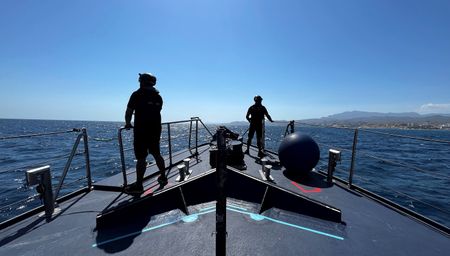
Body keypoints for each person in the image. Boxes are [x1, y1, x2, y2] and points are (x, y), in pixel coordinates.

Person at [124, 73, 167, 194]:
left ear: (142, 81)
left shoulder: (137, 94)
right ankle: (163, 177)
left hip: (142, 131)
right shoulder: (158, 97)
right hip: (155, 130)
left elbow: (129, 112)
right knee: (157, 154)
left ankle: (138, 185)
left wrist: (128, 123)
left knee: (141, 158)